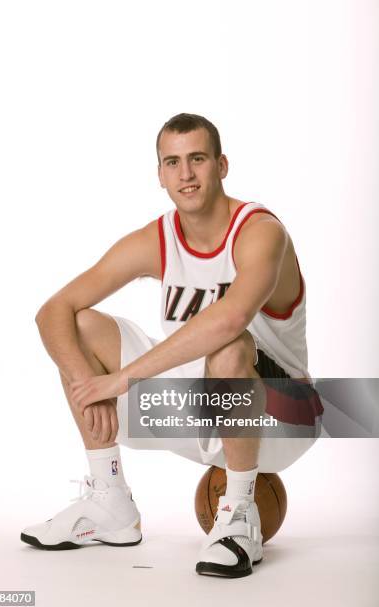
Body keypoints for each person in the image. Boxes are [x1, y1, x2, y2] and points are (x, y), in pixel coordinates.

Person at [21, 113, 322, 578]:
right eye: (173, 162)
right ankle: (110, 501)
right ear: (159, 174)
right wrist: (88, 385)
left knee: (228, 344)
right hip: (203, 402)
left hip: (283, 415)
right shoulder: (157, 239)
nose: (186, 173)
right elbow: (52, 311)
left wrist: (121, 379)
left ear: (221, 165)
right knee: (78, 328)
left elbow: (232, 318)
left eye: (197, 159)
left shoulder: (260, 232)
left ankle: (238, 513)